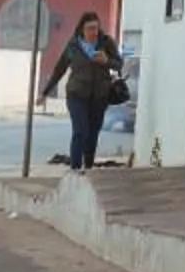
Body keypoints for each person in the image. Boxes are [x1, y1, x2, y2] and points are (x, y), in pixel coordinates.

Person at [38, 14, 125, 172]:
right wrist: (45, 92)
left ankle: (89, 167)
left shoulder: (106, 43)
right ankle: (75, 169)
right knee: (80, 131)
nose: (94, 32)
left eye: (96, 28)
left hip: (100, 96)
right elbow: (60, 68)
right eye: (90, 28)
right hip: (77, 94)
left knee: (93, 133)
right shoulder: (74, 47)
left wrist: (107, 61)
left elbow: (119, 64)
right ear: (82, 29)